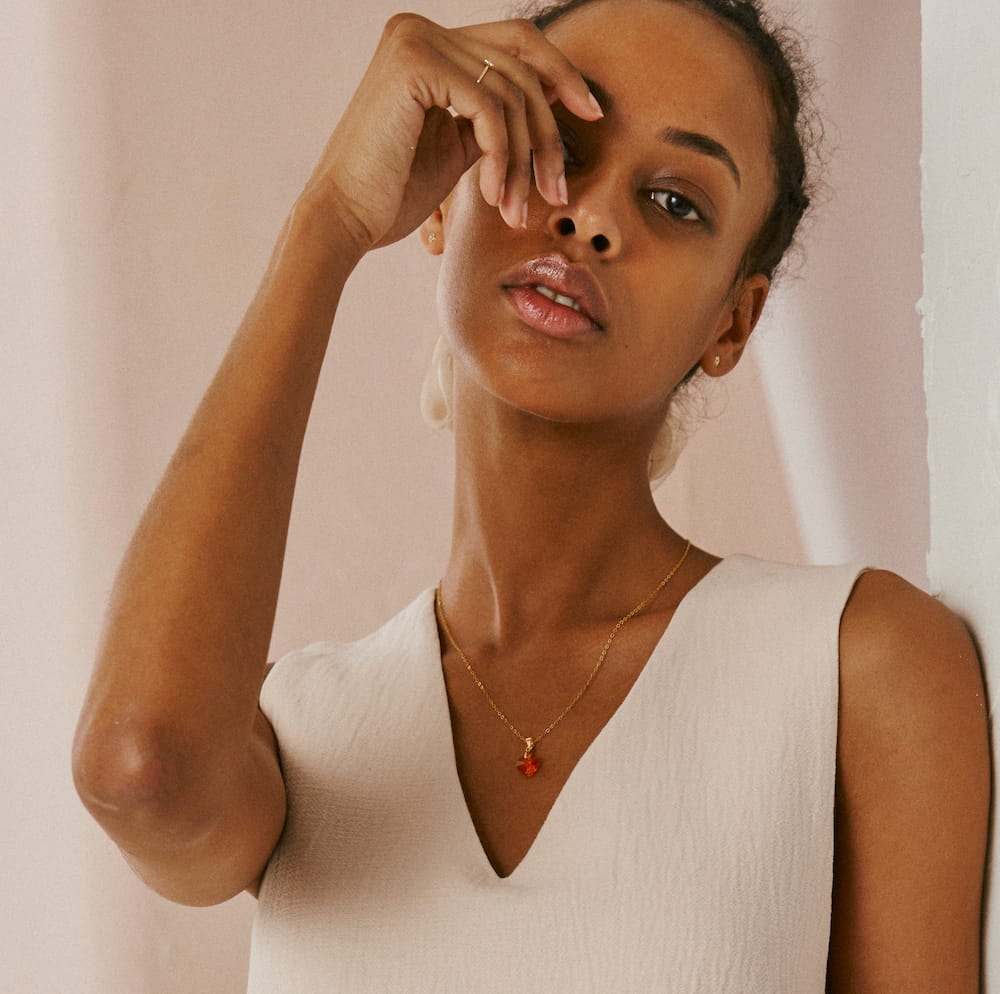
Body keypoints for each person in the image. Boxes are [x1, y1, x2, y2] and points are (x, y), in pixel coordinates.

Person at [72, 0, 990, 990]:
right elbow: (141, 768)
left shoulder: (860, 665)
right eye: (553, 144)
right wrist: (329, 222)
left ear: (731, 322)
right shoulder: (303, 728)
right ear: (438, 193)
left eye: (675, 202)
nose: (590, 216)